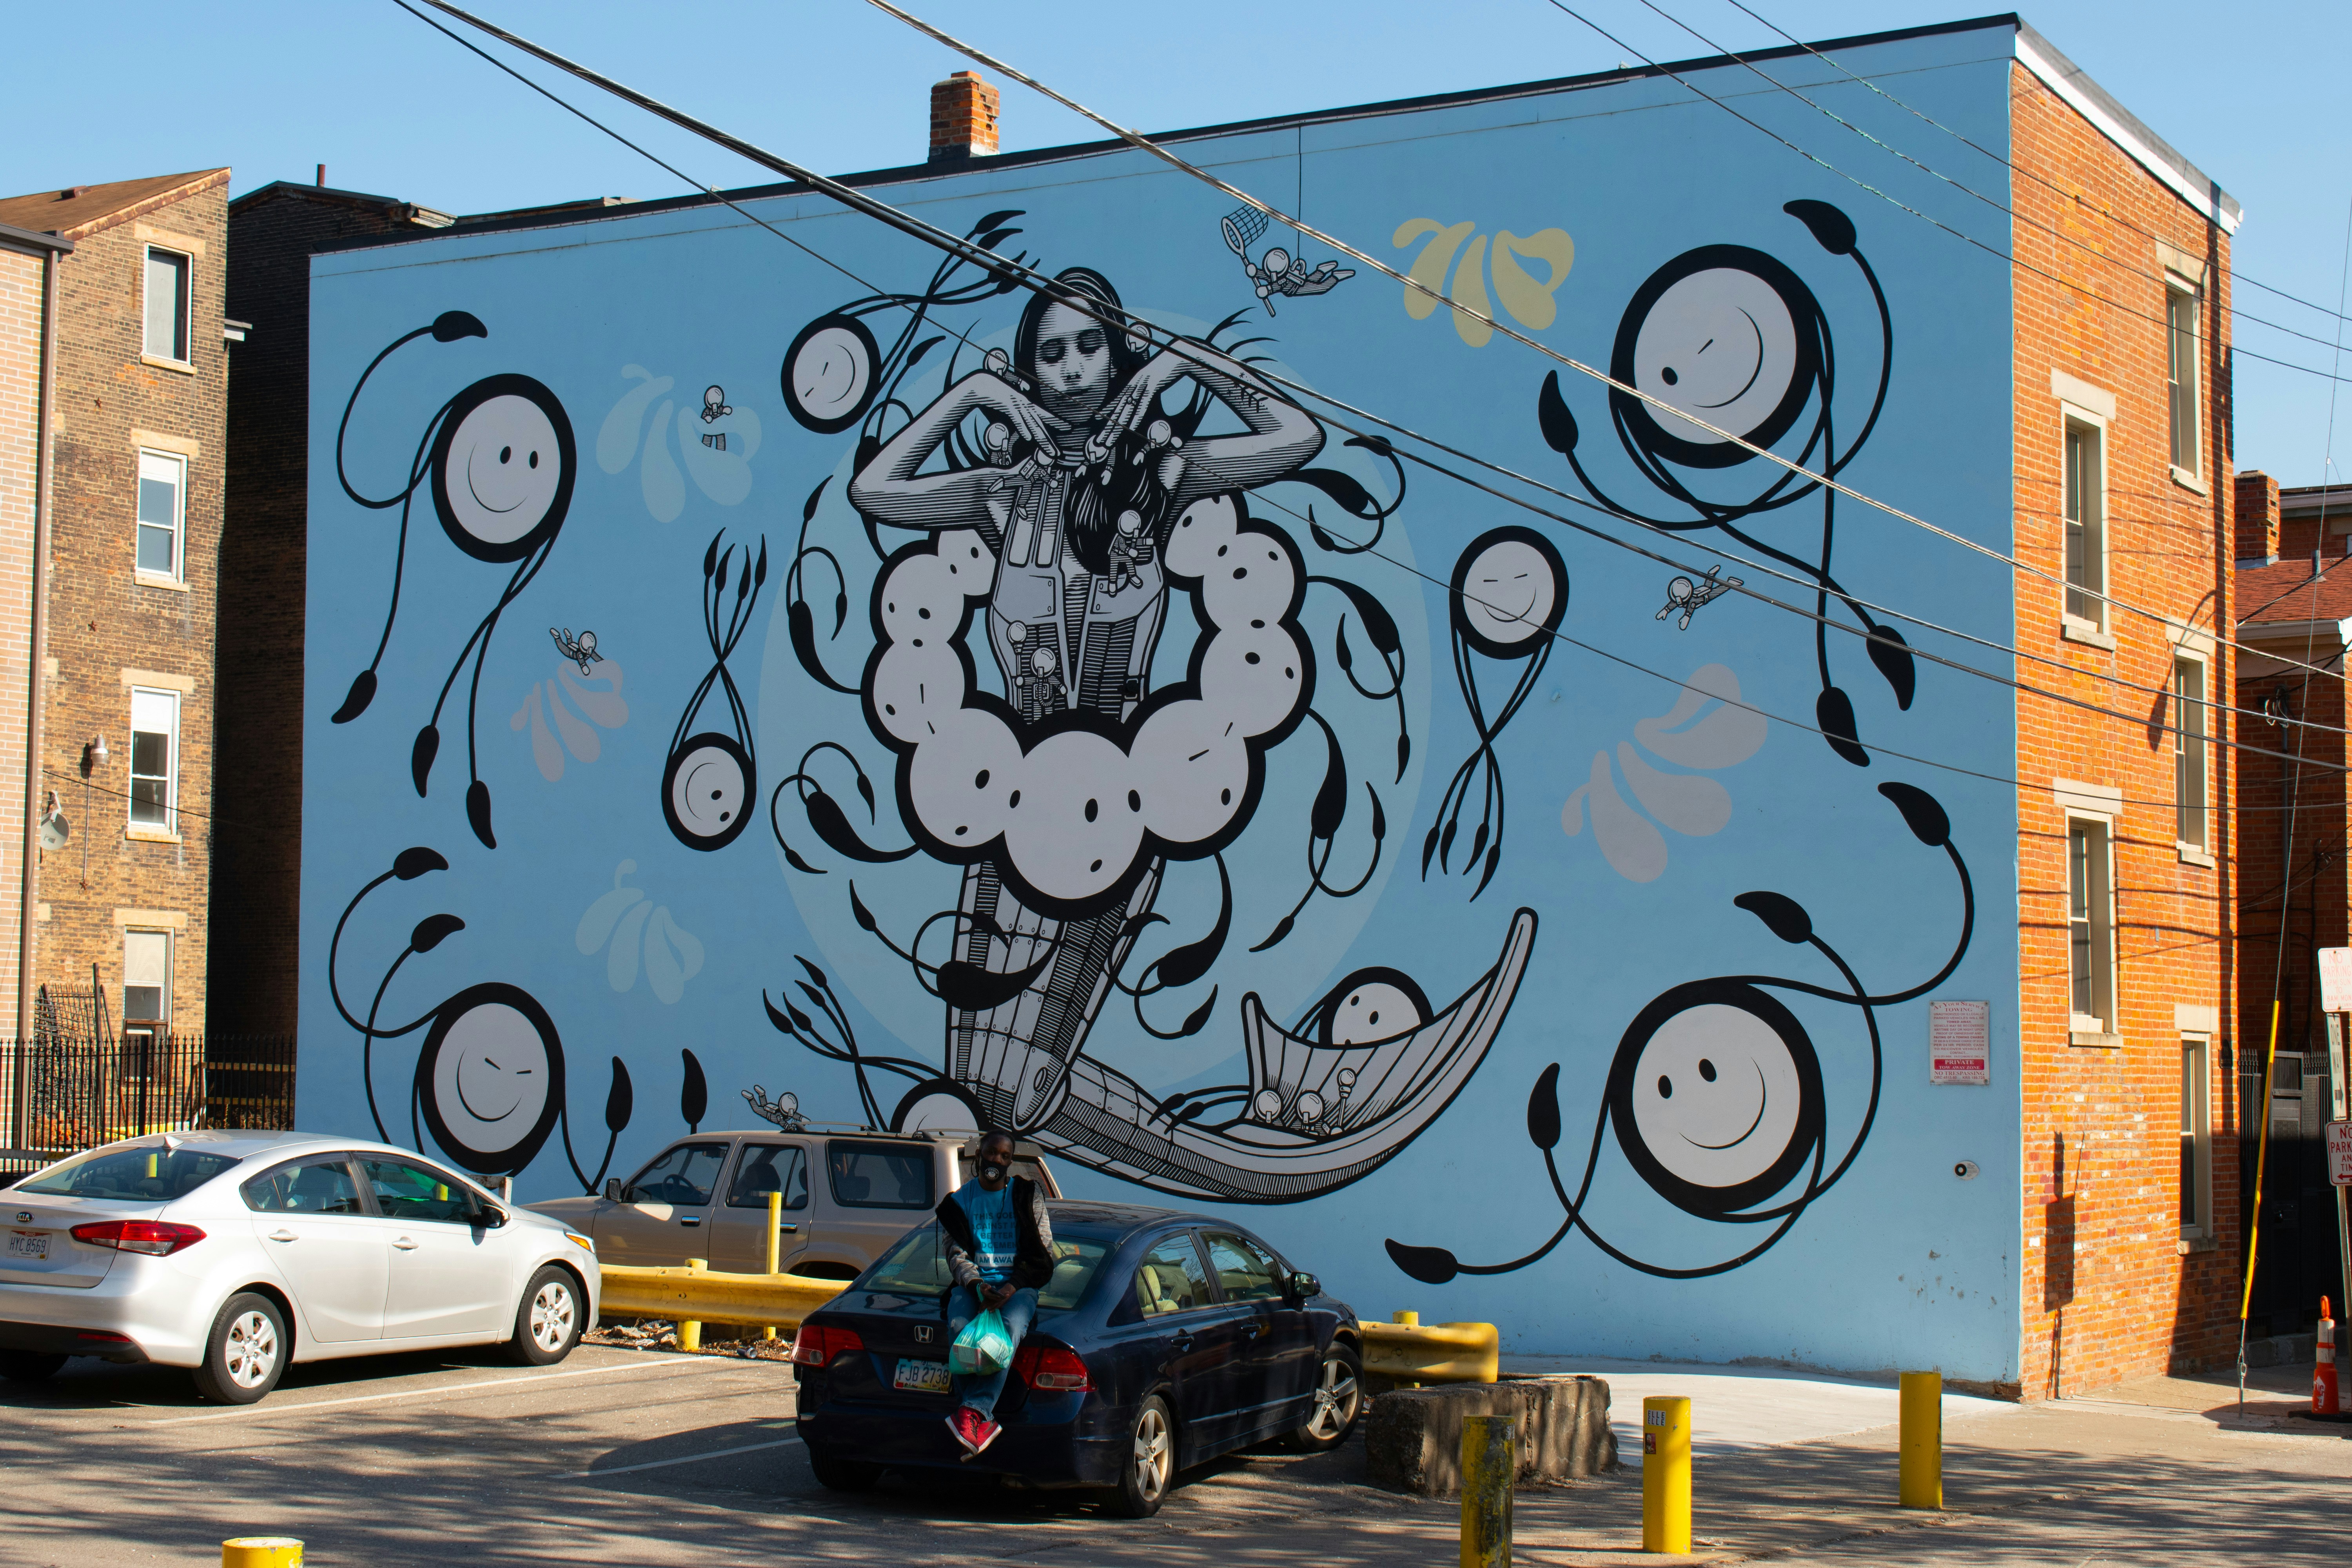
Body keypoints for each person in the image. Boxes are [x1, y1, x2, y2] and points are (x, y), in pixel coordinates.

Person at [935, 1130, 1054, 1455]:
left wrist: (1011, 1287)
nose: (996, 1161)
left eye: (1004, 1156)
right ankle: (975, 1419)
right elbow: (956, 1256)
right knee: (961, 1329)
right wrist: (977, 1286)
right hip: (973, 1286)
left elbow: (1045, 1255)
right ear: (979, 1155)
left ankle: (971, 1412)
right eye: (991, 1153)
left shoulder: (1027, 1196)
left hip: (1019, 1288)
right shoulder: (958, 1204)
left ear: (1010, 1161)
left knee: (1008, 1331)